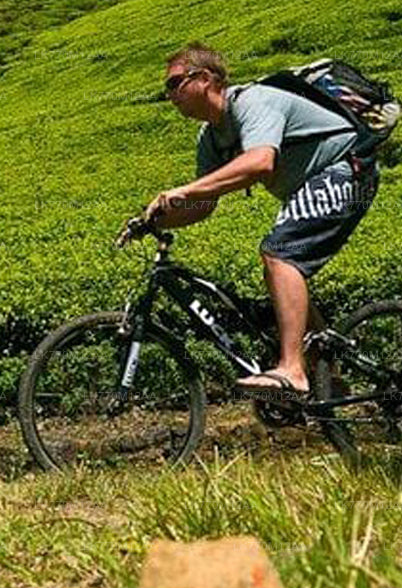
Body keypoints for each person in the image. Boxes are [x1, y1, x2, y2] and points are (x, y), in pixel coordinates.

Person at [143, 42, 380, 401]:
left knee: (280, 255)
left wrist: (184, 190)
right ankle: (325, 366)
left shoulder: (254, 102)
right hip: (310, 186)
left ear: (205, 79)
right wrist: (157, 221)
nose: (169, 94)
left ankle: (293, 370)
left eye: (175, 83)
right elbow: (205, 204)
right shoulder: (211, 136)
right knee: (281, 267)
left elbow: (260, 163)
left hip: (348, 170)